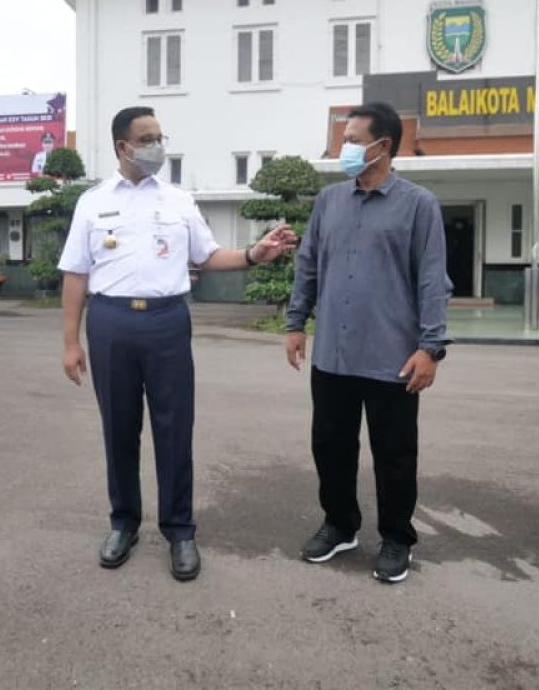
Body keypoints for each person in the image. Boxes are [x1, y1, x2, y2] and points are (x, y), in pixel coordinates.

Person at [58, 106, 297, 581]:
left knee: (174, 429)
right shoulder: (93, 201)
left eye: (160, 136)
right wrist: (70, 341)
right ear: (122, 147)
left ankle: (180, 530)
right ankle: (123, 523)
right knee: (119, 430)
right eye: (146, 138)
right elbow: (76, 273)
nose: (157, 145)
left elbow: (207, 256)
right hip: (110, 322)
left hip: (167, 323)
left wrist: (255, 253)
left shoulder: (179, 200)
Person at [285, 102, 452, 585]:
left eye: (354, 139)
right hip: (333, 356)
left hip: (393, 358)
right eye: (345, 139)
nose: (346, 148)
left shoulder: (418, 204)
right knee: (330, 448)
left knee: (395, 455)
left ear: (383, 146)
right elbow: (309, 265)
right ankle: (340, 525)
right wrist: (295, 323)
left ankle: (397, 538)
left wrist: (431, 347)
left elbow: (431, 280)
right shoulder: (329, 202)